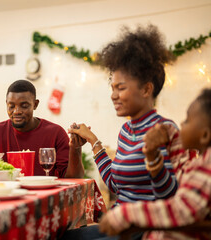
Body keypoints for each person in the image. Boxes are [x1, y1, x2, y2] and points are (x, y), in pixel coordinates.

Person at [63, 25, 193, 239]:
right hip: (120, 220)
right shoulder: (126, 130)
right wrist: (94, 141)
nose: (113, 95)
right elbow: (116, 184)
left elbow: (172, 196)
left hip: (145, 227)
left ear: (146, 89)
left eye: (120, 88)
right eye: (112, 88)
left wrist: (155, 160)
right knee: (63, 236)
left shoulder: (166, 130)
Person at [99, 88, 211, 240]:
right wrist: (152, 155)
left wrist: (126, 214)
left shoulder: (205, 169)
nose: (181, 125)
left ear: (204, 135)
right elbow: (178, 185)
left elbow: (180, 210)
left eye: (187, 120)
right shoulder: (199, 163)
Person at [0, 79, 84, 178]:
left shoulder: (55, 133)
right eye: (11, 106)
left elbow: (73, 179)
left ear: (35, 104)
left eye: (24, 106)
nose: (16, 111)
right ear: (6, 104)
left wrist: (76, 149)